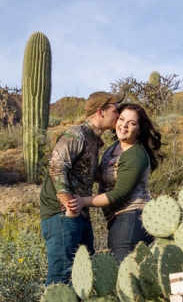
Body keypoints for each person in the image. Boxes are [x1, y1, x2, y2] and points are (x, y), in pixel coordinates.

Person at [39, 91, 124, 285]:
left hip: (79, 213)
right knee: (62, 273)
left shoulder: (94, 140)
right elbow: (56, 167)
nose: (118, 114)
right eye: (115, 109)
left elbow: (85, 173)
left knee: (82, 275)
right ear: (101, 111)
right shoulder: (76, 134)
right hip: (61, 214)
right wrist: (69, 207)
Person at [68, 103, 164, 263]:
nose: (124, 125)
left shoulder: (136, 155)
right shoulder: (114, 147)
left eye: (132, 123)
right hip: (117, 219)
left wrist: (83, 201)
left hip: (132, 217)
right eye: (122, 119)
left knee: (124, 276)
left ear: (139, 129)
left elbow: (119, 194)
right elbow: (101, 175)